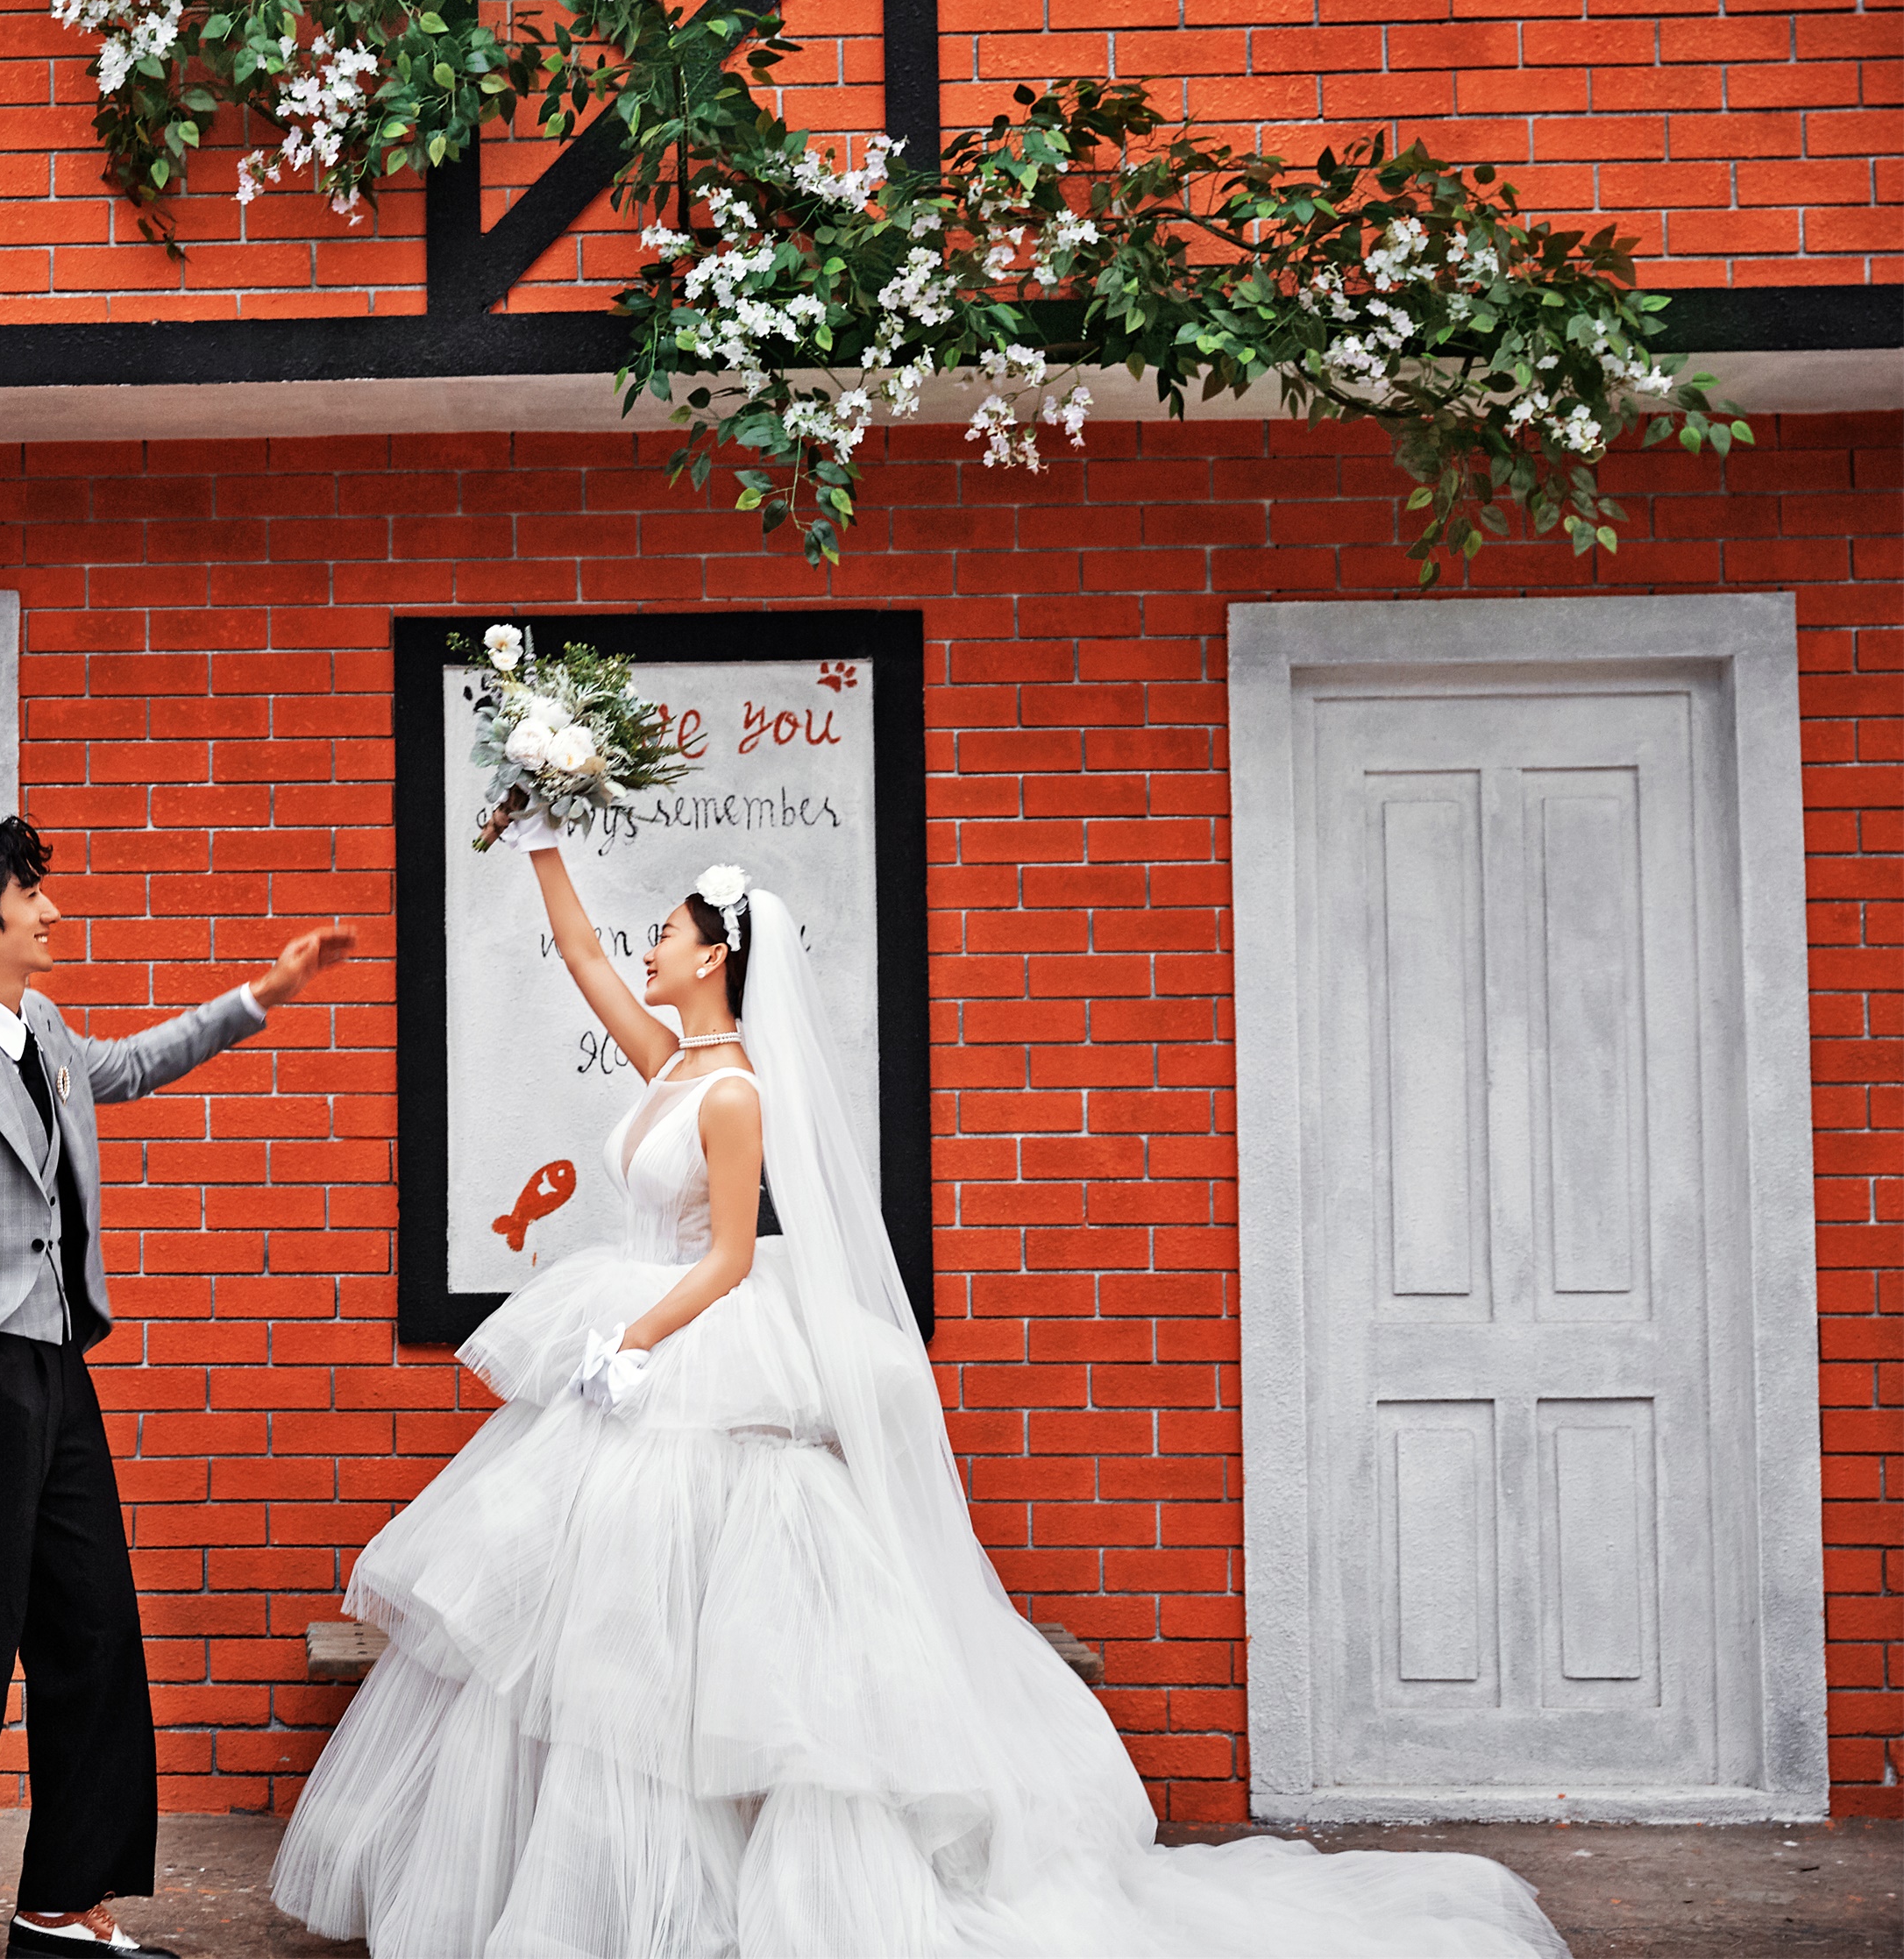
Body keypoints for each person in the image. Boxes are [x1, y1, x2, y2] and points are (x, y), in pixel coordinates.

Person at [272, 823, 1566, 1957]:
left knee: (686, 1635)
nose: (646, 947)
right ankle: (612, 1890)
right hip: (638, 1350)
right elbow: (579, 957)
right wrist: (541, 837)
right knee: (596, 1637)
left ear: (714, 955)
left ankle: (702, 1896)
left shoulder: (733, 1093)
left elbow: (731, 1258)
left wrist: (634, 1343)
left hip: (686, 1344)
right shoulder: (666, 1062)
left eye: (665, 932)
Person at [0, 815, 353, 1959]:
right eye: (29, 894)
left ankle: (58, 1906)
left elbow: (132, 1065)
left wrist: (264, 993)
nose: (50, 910)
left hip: (56, 1363)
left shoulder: (42, 1029)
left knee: (92, 1629)